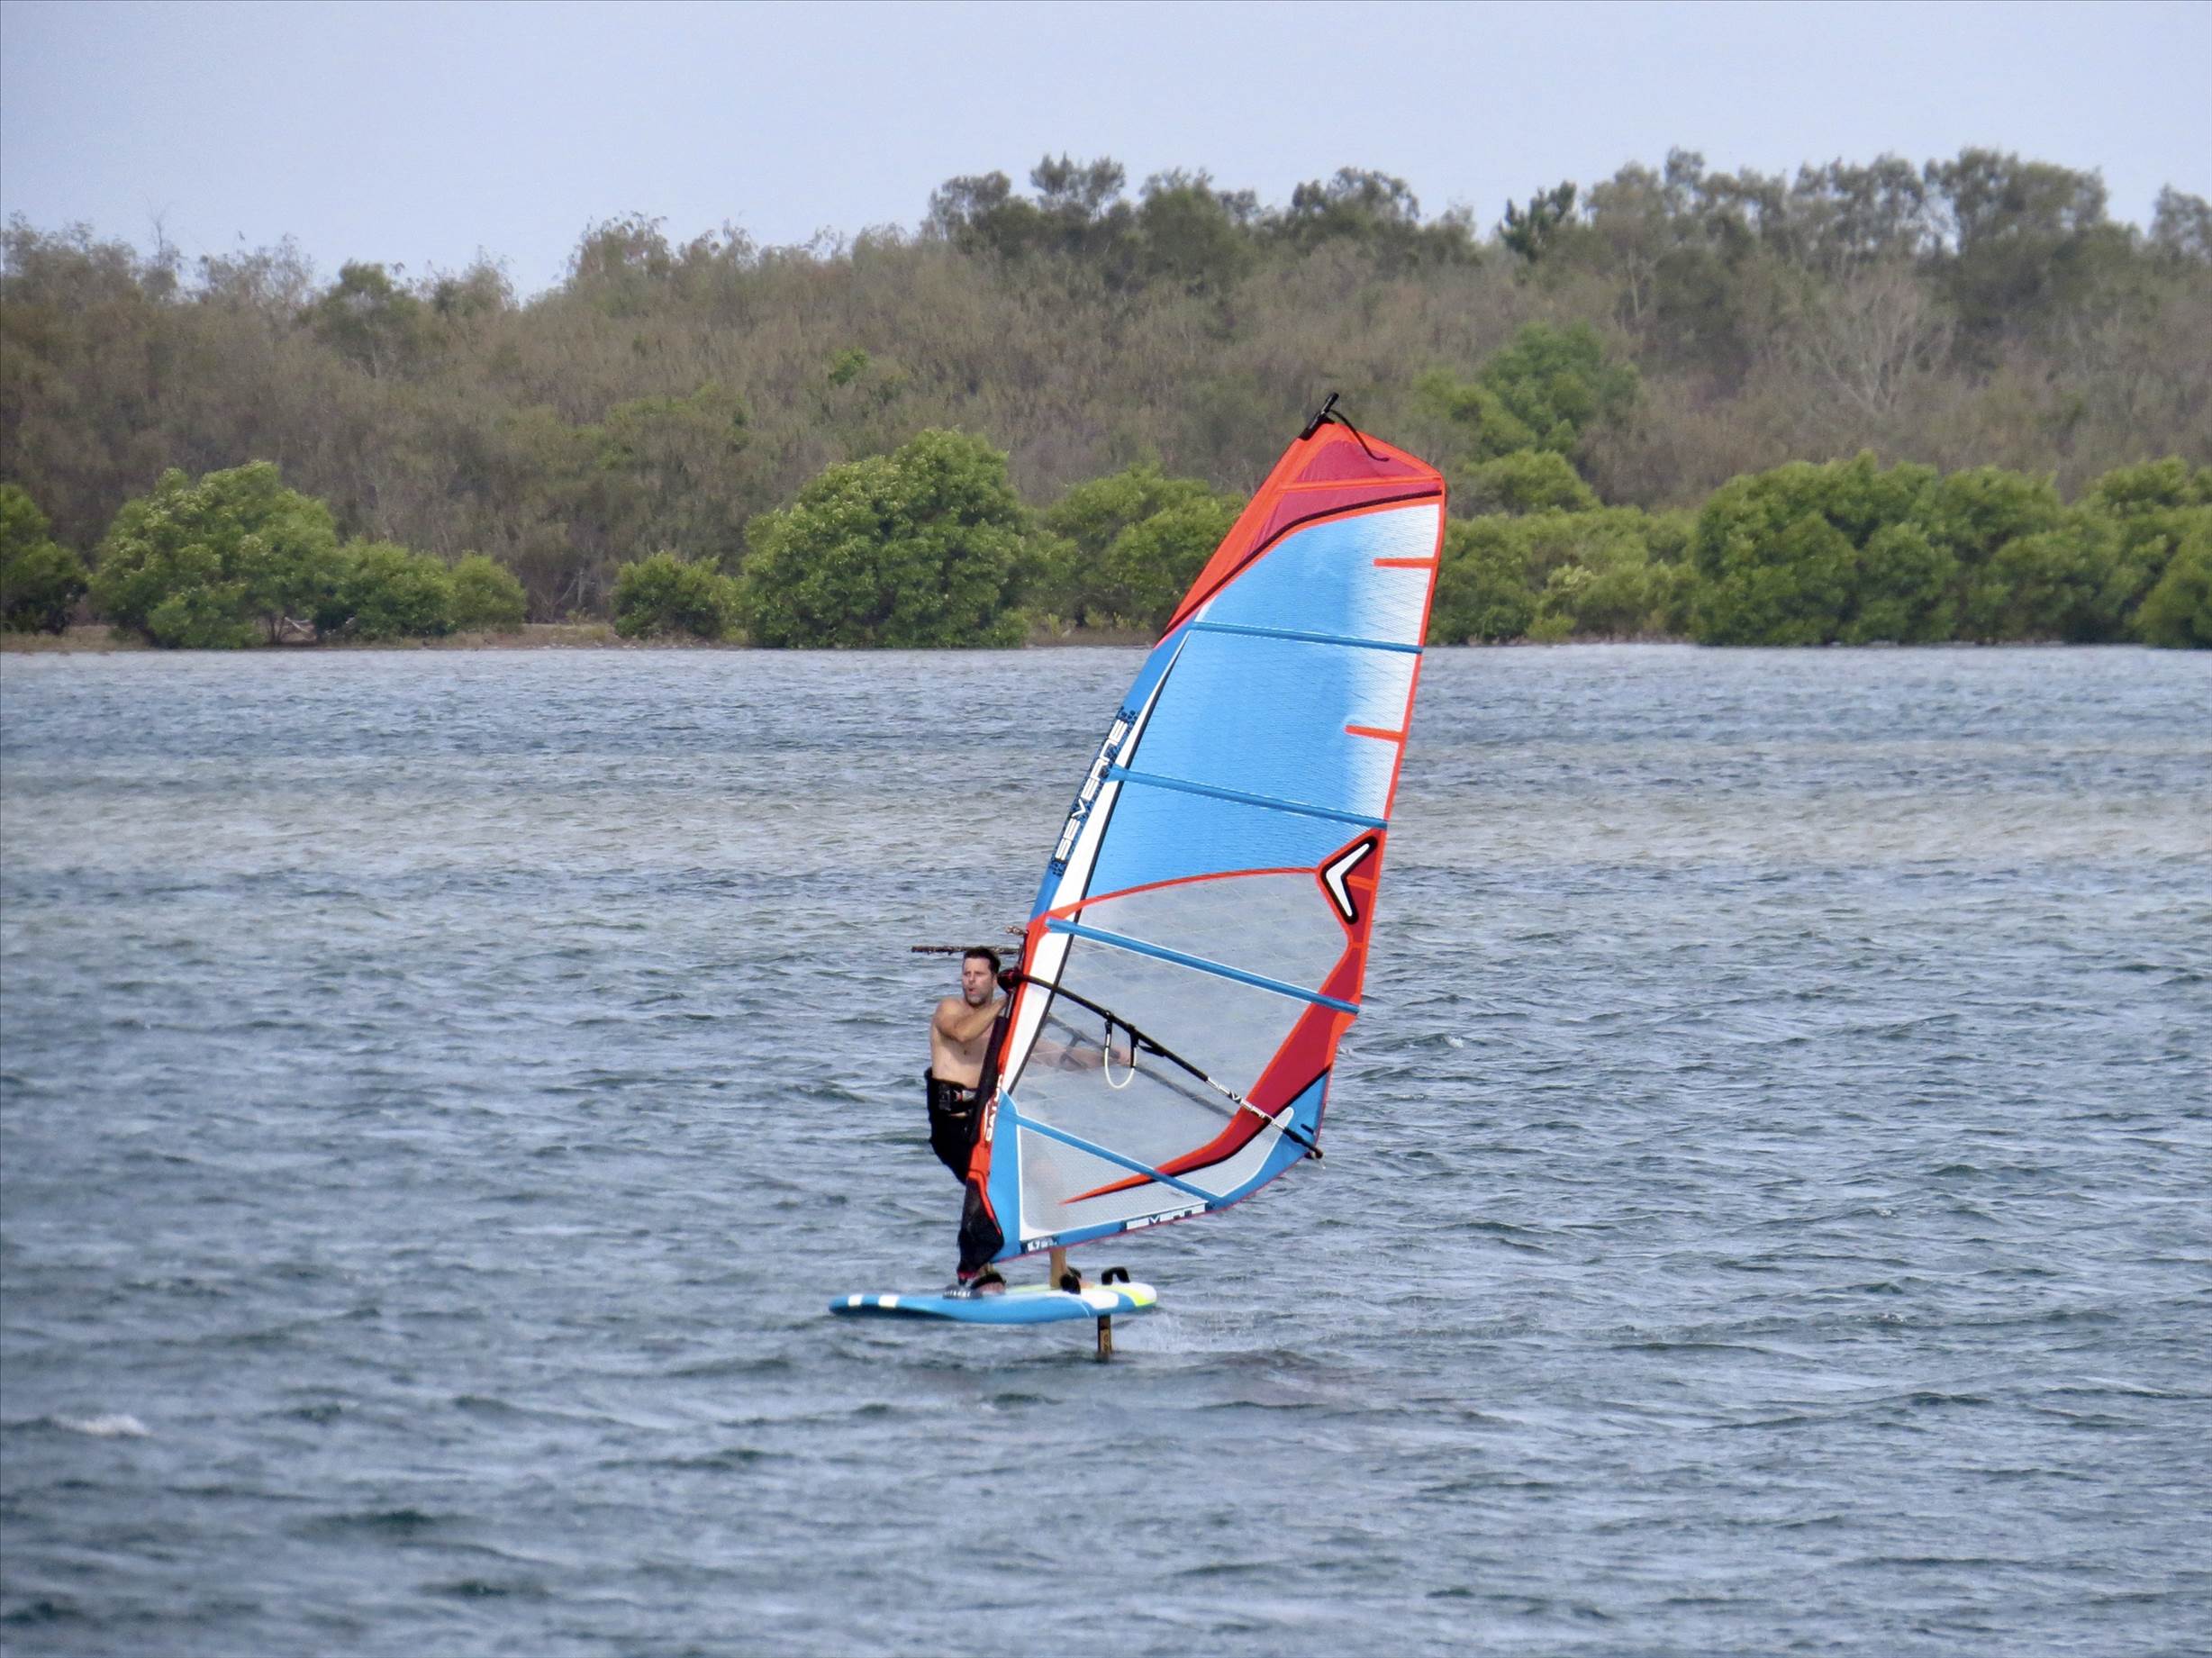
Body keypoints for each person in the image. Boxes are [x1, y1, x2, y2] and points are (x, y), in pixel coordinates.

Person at [928, 947, 1010, 1293]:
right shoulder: (949, 1010)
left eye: (978, 975)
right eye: (966, 974)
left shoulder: (1002, 1029)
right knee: (983, 1183)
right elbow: (962, 1033)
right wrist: (1005, 1001)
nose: (970, 981)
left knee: (1044, 1173)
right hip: (950, 1128)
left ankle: (1061, 1271)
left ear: (994, 978)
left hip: (983, 1125)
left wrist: (1111, 1057)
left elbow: (1051, 1055)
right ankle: (976, 1271)